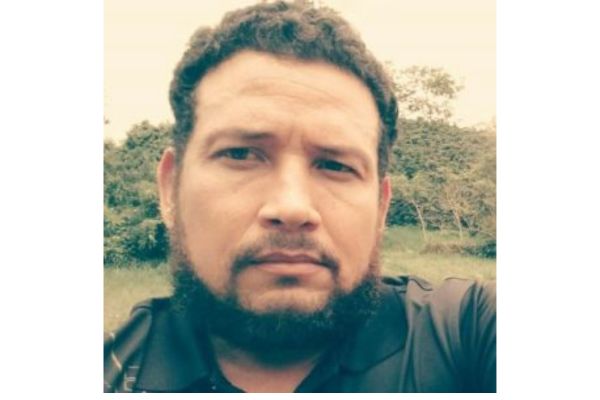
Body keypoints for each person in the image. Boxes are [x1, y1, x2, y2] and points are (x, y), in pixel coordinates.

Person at [104, 0, 496, 393]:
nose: (292, 207)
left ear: (381, 207)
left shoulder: (465, 333)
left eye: (336, 165)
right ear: (170, 188)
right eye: (240, 154)